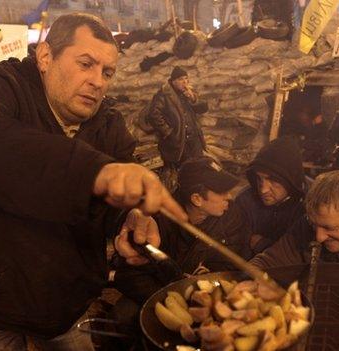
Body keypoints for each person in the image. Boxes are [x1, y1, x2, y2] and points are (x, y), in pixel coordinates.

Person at [0, 13, 186, 350]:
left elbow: (111, 198)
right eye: (86, 64)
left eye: (107, 72)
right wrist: (94, 171)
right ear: (45, 57)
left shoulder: (107, 126)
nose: (98, 81)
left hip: (62, 304)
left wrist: (129, 219)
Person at [112, 157, 251, 302]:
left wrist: (205, 279)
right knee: (125, 316)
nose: (229, 196)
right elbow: (129, 274)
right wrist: (170, 298)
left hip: (205, 293)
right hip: (157, 295)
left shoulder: (230, 216)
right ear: (197, 199)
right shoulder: (155, 221)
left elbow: (231, 261)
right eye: (222, 192)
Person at [235, 136, 308, 254]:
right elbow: (236, 246)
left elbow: (303, 254)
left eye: (273, 180)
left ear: (291, 180)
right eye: (259, 178)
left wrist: (262, 244)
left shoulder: (307, 206)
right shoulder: (245, 201)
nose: (263, 190)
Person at [147, 65, 208, 174]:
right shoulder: (164, 95)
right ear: (173, 81)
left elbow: (203, 109)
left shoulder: (189, 93)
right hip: (177, 141)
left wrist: (193, 98)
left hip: (194, 139)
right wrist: (168, 132)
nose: (184, 82)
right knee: (182, 172)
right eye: (180, 79)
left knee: (199, 168)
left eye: (186, 79)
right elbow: (153, 115)